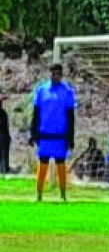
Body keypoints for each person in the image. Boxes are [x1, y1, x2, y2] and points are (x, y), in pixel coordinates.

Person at [30, 64, 76, 201]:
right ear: (49, 74)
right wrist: (33, 132)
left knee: (60, 163)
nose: (56, 76)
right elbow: (36, 113)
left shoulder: (67, 92)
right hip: (44, 134)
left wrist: (70, 137)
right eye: (54, 73)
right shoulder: (41, 90)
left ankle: (63, 195)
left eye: (58, 74)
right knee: (43, 163)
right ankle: (39, 195)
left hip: (60, 135)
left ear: (62, 75)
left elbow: (71, 116)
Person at [0, 93, 10, 174]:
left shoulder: (3, 113)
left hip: (4, 138)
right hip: (3, 138)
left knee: (4, 157)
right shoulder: (3, 113)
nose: (1, 103)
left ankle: (4, 171)